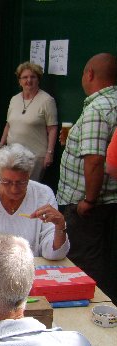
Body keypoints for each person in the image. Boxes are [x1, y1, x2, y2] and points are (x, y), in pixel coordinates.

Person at [57, 53, 117, 302]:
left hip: (89, 204)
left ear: (89, 74)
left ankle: (90, 312)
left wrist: (88, 200)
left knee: (84, 262)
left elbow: (94, 160)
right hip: (111, 202)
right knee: (105, 260)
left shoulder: (97, 108)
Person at [0, 143, 69, 260]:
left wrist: (60, 226)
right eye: (7, 182)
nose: (14, 189)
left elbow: (55, 254)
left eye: (21, 182)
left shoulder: (43, 194)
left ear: (29, 175)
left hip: (30, 271)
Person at [0, 62, 58, 181]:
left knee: (28, 188)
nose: (29, 80)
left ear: (38, 80)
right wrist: (1, 146)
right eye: (25, 77)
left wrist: (49, 153)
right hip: (12, 155)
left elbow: (52, 128)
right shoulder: (14, 99)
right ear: (19, 81)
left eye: (33, 77)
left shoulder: (47, 100)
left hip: (34, 157)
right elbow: (8, 125)